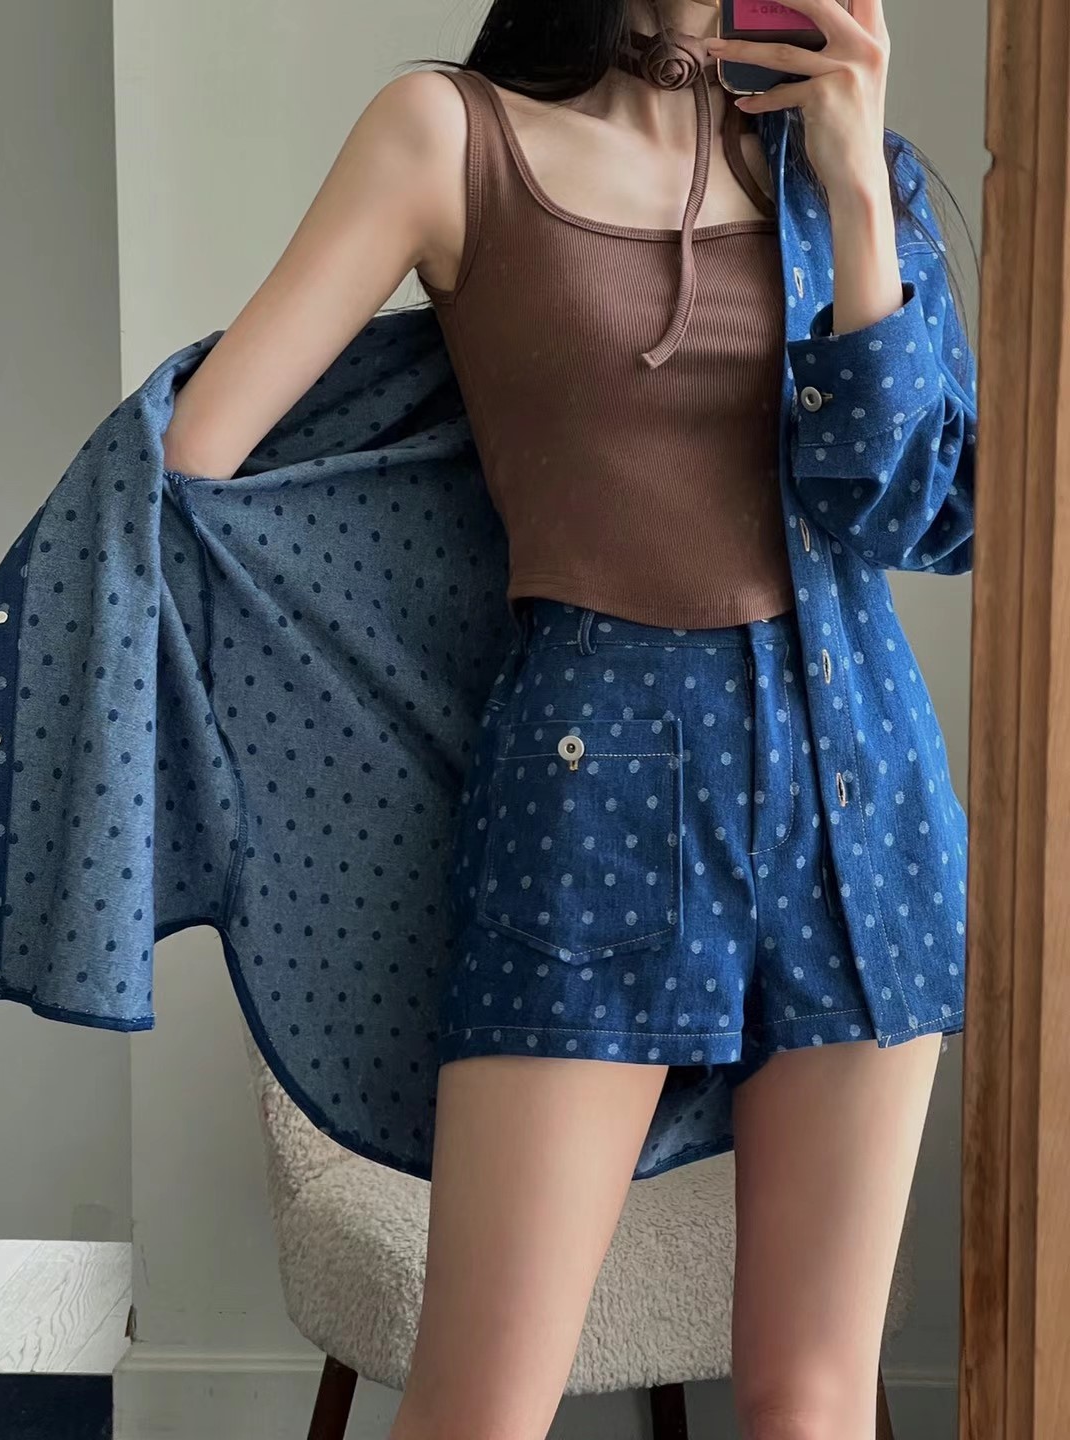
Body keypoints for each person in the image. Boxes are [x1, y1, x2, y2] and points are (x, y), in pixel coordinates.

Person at [161, 1, 977, 1435]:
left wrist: (857, 187)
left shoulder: (846, 163)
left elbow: (915, 512)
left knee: (811, 1400)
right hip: (593, 806)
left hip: (864, 808)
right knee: (482, 1406)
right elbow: (197, 463)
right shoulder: (449, 136)